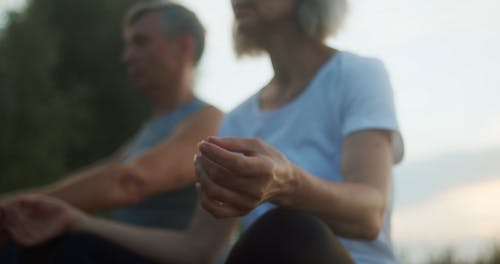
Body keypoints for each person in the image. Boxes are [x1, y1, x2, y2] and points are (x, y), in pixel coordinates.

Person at [0, 0, 404, 263]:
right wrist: (76, 221)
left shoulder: (356, 75)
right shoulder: (241, 117)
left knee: (287, 231)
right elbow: (195, 249)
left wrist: (289, 183)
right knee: (64, 249)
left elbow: (370, 213)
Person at [0, 0, 222, 262]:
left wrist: (12, 209)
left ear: (183, 47)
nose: (126, 57)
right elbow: (108, 173)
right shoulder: (149, 130)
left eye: (140, 42)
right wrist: (17, 205)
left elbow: (129, 182)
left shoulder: (210, 120)